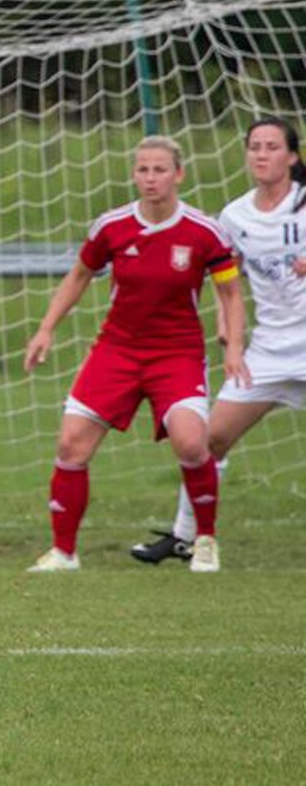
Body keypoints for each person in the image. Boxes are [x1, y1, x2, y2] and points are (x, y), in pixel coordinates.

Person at [24, 135, 248, 574]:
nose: (150, 178)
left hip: (176, 354)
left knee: (190, 441)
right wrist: (46, 329)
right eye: (143, 169)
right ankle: (64, 552)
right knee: (71, 445)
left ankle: (204, 540)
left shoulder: (205, 232)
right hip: (117, 350)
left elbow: (232, 293)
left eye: (160, 169)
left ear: (178, 174)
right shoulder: (111, 226)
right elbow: (79, 275)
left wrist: (234, 347)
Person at [131, 118, 306, 563]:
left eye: (271, 147)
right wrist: (229, 334)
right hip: (267, 352)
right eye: (254, 147)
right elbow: (228, 283)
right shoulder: (234, 216)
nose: (261, 155)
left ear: (292, 156)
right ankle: (186, 536)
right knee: (209, 442)